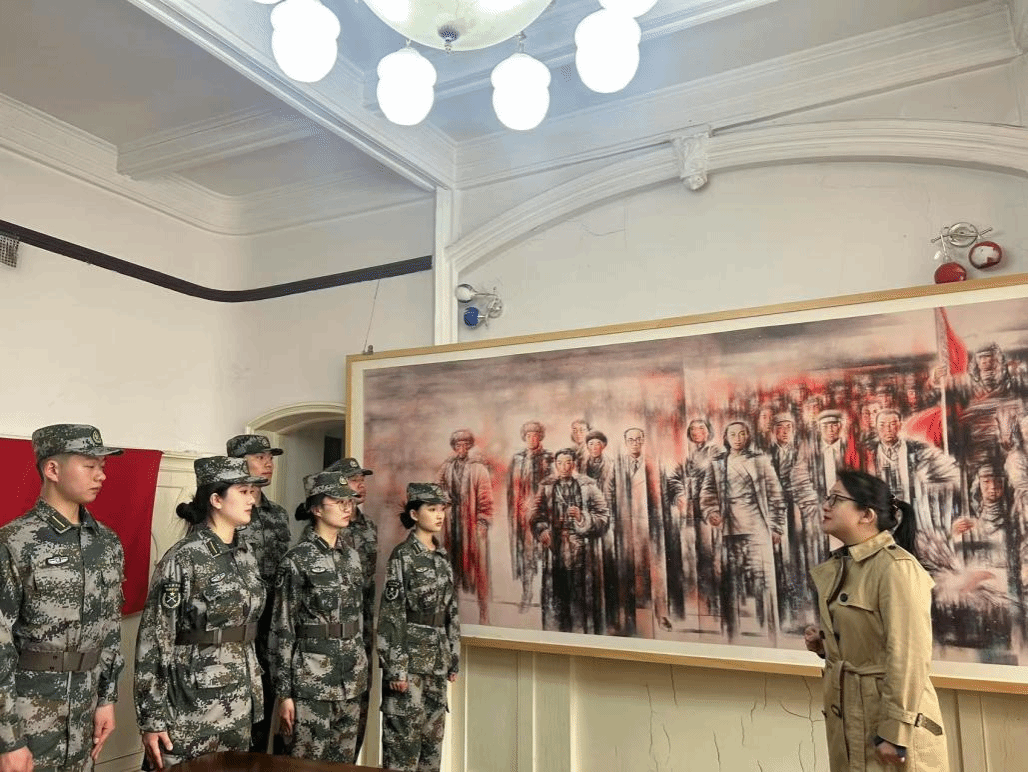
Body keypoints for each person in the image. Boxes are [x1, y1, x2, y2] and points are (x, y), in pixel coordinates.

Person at [806, 468, 949, 771]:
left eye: (836, 499)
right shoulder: (845, 566)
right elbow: (871, 638)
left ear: (867, 515)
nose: (826, 505)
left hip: (888, 729)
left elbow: (910, 657)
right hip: (850, 720)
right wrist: (826, 645)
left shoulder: (896, 568)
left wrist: (895, 732)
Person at [0, 424, 124, 772]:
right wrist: (8, 739)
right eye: (90, 465)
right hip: (28, 716)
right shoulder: (14, 542)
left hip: (85, 712)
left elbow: (110, 628)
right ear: (52, 469)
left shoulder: (107, 543)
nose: (101, 475)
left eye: (102, 466)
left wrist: (106, 699)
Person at [134, 457, 267, 770]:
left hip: (240, 703)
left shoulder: (246, 555)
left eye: (252, 491)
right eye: (243, 491)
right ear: (216, 500)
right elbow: (154, 640)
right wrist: (152, 719)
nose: (251, 499)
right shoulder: (183, 558)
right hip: (192, 708)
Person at [272, 471, 367, 763]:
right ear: (316, 509)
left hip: (351, 680)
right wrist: (284, 694)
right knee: (306, 764)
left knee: (343, 765)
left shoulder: (352, 558)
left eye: (349, 502)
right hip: (311, 682)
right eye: (338, 502)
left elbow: (359, 620)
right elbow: (282, 629)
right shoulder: (296, 560)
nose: (347, 508)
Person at [378, 483, 460, 772]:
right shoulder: (403, 556)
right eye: (432, 509)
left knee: (431, 749)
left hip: (437, 663)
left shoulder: (442, 557)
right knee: (402, 748)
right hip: (409, 666)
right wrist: (396, 668)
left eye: (442, 509)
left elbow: (451, 611)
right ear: (414, 514)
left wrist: (454, 657)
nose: (439, 515)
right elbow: (392, 613)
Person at [224, 434, 292, 754]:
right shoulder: (228, 511)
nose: (268, 464)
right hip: (240, 622)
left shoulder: (278, 514)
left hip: (272, 623)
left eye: (270, 458)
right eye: (259, 457)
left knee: (267, 699)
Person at [700, 421, 786, 643]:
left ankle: (773, 637)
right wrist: (711, 512)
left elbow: (776, 494)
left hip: (758, 529)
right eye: (733, 434)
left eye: (742, 434)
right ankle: (731, 638)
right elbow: (707, 493)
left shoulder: (760, 461)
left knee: (765, 583)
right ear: (726, 438)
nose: (737, 438)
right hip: (729, 531)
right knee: (729, 585)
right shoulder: (717, 463)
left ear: (748, 436)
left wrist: (776, 526)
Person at [322, 456, 377, 757]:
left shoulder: (369, 527)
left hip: (361, 624)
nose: (361, 485)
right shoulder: (328, 529)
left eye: (362, 480)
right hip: (330, 633)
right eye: (355, 480)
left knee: (359, 702)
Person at [530, 448, 610, 633]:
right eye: (560, 463)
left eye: (568, 462)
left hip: (582, 548)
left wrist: (582, 517)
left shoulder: (588, 486)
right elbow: (535, 514)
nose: (564, 467)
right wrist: (542, 530)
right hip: (555, 548)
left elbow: (603, 516)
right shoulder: (546, 486)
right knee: (557, 592)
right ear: (555, 465)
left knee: (580, 594)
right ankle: (556, 635)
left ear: (574, 464)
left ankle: (580, 635)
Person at [606, 428, 671, 635]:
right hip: (626, 527)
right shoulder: (617, 466)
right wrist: (613, 519)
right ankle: (624, 616)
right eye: (631, 440)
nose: (635, 443)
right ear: (626, 442)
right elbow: (608, 493)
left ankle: (661, 615)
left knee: (657, 571)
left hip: (651, 526)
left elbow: (666, 490)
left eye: (638, 439)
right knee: (625, 570)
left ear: (643, 441)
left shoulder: (653, 464)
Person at [437, 429, 493, 624]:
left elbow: (485, 496)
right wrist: (444, 500)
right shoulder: (447, 467)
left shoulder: (478, 468)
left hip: (472, 526)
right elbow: (437, 488)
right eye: (458, 445)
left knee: (479, 570)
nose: (461, 448)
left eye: (464, 445)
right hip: (452, 525)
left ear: (469, 446)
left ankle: (484, 613)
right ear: (454, 447)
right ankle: (451, 613)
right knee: (450, 568)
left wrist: (483, 521)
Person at [506, 421, 552, 613]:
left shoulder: (549, 458)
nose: (532, 439)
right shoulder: (517, 459)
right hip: (522, 516)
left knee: (547, 553)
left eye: (535, 435)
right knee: (526, 555)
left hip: (543, 514)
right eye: (528, 436)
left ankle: (549, 598)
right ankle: (527, 594)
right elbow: (511, 489)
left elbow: (552, 486)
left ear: (540, 437)